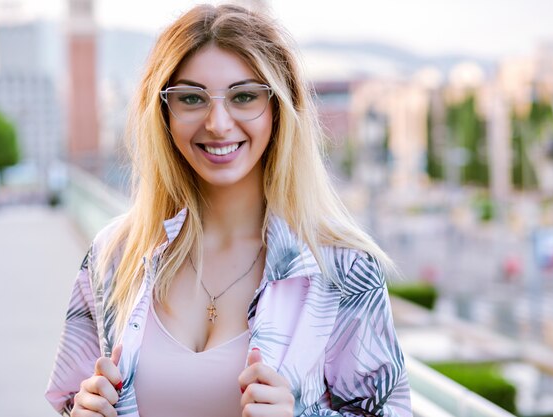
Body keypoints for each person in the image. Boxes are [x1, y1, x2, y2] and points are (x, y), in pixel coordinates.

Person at [45, 3, 412, 417]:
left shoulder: (341, 268)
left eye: (244, 96)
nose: (218, 123)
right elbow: (69, 399)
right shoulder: (113, 256)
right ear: (163, 112)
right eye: (191, 98)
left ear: (279, 107)